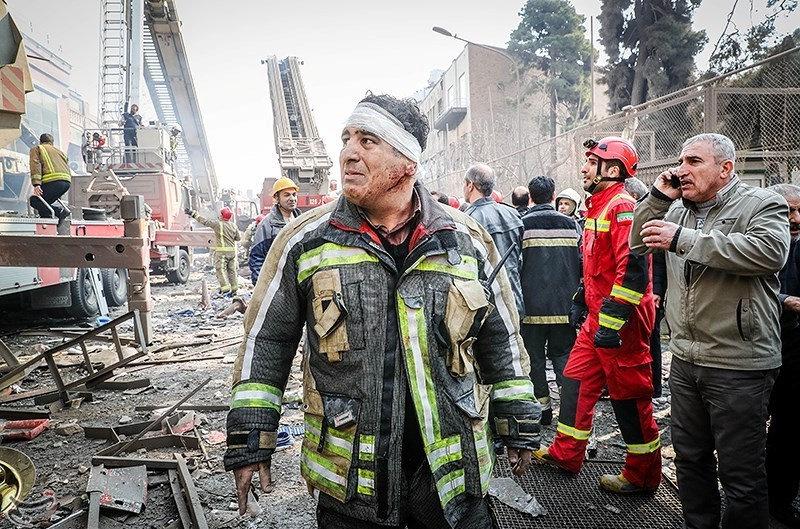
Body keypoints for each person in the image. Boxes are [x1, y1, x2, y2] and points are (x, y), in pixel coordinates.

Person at [225, 94, 539, 529]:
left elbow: (500, 336)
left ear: (407, 161)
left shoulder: (464, 239)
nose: (348, 152)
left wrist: (516, 415)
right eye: (346, 139)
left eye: (367, 141)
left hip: (450, 476)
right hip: (352, 479)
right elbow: (268, 340)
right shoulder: (306, 241)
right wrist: (251, 437)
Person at [630, 133, 789, 529]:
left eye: (693, 162)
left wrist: (684, 239)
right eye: (680, 161)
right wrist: (657, 198)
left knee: (740, 474)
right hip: (685, 360)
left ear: (726, 168)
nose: (681, 170)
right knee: (690, 459)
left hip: (739, 362)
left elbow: (770, 253)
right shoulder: (678, 209)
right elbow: (636, 243)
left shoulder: (762, 203)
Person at [535, 136, 661, 495]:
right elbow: (597, 268)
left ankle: (643, 475)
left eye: (591, 162)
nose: (584, 168)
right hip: (597, 320)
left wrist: (612, 320)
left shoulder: (622, 206)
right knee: (574, 382)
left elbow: (633, 269)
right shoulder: (598, 207)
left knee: (629, 399)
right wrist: (580, 298)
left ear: (613, 169)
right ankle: (566, 453)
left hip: (622, 325)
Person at [519, 176, 582, 426]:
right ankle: (568, 414)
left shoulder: (521, 224)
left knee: (534, 359)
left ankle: (543, 411)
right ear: (553, 195)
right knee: (564, 358)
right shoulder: (571, 225)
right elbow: (581, 262)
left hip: (531, 308)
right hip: (564, 308)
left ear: (531, 197)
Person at [765, 183, 800, 528]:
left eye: (798, 210)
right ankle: (775, 499)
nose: (795, 218)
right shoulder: (761, 244)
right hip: (765, 346)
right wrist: (784, 300)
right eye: (787, 211)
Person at [463, 163, 524, 313]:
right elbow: (521, 259)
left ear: (470, 185)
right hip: (514, 298)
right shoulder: (512, 214)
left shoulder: (467, 220)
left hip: (487, 305)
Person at [624, 176, 665, 397]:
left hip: (650, 292)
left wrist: (657, 290)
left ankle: (653, 386)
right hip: (641, 291)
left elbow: (659, 258)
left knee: (652, 339)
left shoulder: (651, 216)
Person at [248, 177, 301, 284]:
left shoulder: (301, 220)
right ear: (277, 198)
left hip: (299, 281)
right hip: (279, 284)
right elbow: (257, 257)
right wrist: (261, 287)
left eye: (294, 195)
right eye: (286, 195)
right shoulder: (267, 225)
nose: (292, 198)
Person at [187, 206, 241, 295]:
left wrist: (193, 214)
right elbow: (238, 238)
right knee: (232, 270)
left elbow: (205, 221)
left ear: (222, 216)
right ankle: (234, 289)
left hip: (222, 252)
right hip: (232, 252)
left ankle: (225, 288)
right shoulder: (233, 225)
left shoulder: (218, 224)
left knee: (220, 269)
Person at [29, 133, 71, 224]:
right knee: (44, 203)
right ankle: (51, 221)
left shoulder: (37, 149)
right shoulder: (60, 152)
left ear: (40, 141)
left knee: (35, 200)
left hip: (53, 182)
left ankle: (57, 213)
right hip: (66, 183)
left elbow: (35, 166)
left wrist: (36, 184)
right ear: (52, 142)